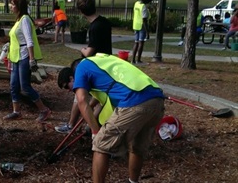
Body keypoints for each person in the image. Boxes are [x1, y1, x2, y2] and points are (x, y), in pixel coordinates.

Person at [57, 54, 165, 183]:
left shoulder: (80, 67)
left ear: (72, 77)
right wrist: (90, 111)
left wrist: (95, 131)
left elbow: (81, 100)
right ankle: (133, 181)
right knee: (136, 146)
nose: (70, 90)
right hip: (156, 100)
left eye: (66, 87)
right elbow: (99, 97)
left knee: (100, 145)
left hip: (134, 101)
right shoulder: (101, 61)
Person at [54, 0, 112, 134]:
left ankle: (72, 126)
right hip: (107, 64)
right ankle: (89, 126)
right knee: (100, 98)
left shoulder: (94, 27)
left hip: (96, 66)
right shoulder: (105, 22)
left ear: (81, 12)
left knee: (79, 96)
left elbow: (90, 52)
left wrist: (82, 50)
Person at [3, 0, 51, 121]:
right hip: (15, 57)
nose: (11, 7)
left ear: (19, 6)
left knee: (24, 86)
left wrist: (31, 59)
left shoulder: (24, 19)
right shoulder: (18, 20)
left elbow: (29, 41)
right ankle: (16, 111)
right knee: (14, 85)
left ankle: (44, 109)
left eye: (13, 4)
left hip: (24, 57)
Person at [131, 0, 153, 64]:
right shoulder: (143, 7)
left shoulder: (136, 3)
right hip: (141, 26)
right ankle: (138, 60)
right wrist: (147, 32)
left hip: (135, 25)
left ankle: (133, 60)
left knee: (136, 42)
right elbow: (144, 20)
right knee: (141, 43)